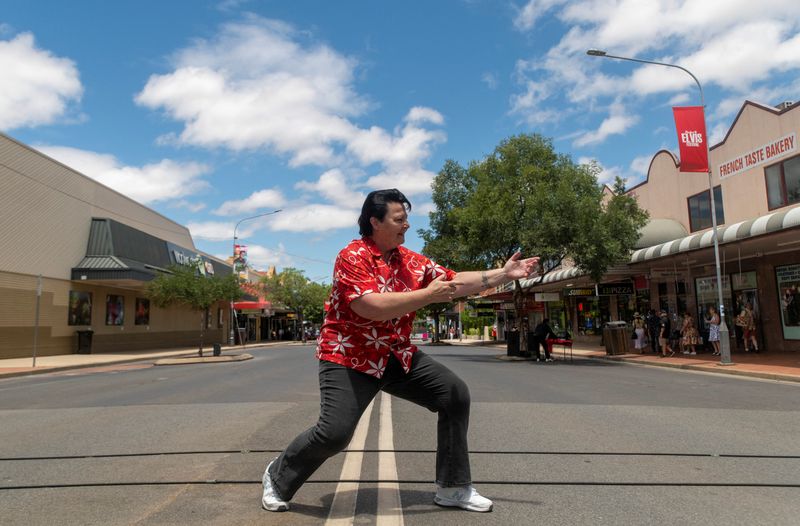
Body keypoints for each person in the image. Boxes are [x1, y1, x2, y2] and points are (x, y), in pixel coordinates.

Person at [260, 189, 539, 514]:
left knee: (454, 394)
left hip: (395, 354)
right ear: (375, 221)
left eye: (407, 219)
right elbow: (370, 306)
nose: (406, 226)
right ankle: (278, 477)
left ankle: (453, 487)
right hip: (349, 356)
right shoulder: (352, 256)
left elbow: (453, 282)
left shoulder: (411, 261)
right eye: (399, 219)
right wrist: (426, 296)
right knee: (335, 434)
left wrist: (502, 274)